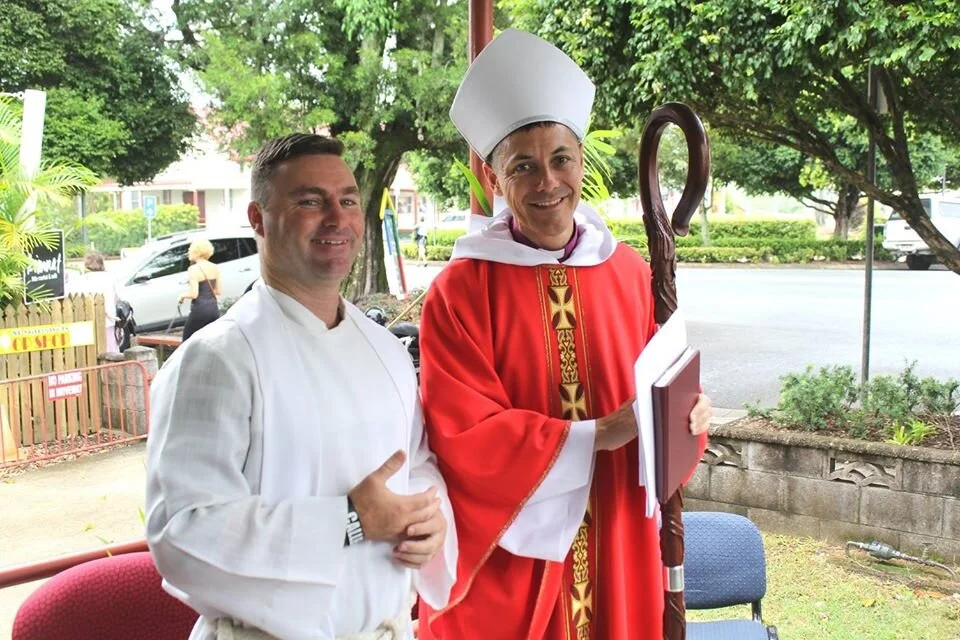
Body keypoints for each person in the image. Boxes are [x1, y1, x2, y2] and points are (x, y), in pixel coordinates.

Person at [416, 30, 712, 639]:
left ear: (581, 164)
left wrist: (684, 419)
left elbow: (662, 393)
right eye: (522, 165)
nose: (547, 181)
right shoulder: (460, 292)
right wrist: (598, 433)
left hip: (616, 532)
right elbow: (461, 435)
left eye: (560, 159)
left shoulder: (629, 273)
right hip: (517, 557)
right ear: (496, 181)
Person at [146, 133, 457, 640]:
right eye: (310, 201)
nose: (337, 218)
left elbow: (416, 463)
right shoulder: (218, 360)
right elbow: (182, 533)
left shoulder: (383, 349)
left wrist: (428, 520)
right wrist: (349, 520)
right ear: (257, 220)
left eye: (348, 200)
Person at [72, 251, 119, 353]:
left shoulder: (81, 280)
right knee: (110, 348)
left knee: (89, 351)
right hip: (109, 320)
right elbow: (119, 297)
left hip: (88, 320)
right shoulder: (110, 278)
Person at [177, 238, 222, 341]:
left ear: (196, 251)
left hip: (199, 310)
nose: (188, 252)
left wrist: (182, 296)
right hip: (213, 309)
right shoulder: (215, 267)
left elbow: (194, 294)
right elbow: (218, 291)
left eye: (190, 250)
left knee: (187, 340)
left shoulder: (193, 269)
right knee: (210, 340)